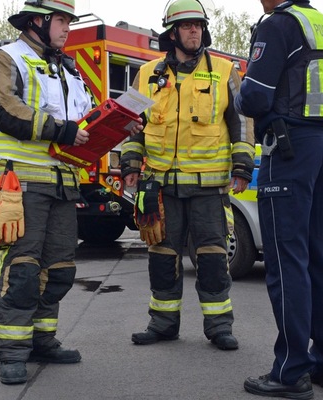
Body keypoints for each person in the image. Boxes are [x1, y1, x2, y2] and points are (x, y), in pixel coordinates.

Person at [0, 0, 140, 385]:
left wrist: (119, 125)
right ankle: (13, 352)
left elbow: (86, 122)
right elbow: (5, 109)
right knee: (22, 269)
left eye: (69, 20)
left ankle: (42, 341)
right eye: (61, 20)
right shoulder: (6, 58)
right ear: (37, 20)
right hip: (20, 181)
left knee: (60, 270)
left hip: (64, 183)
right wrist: (61, 130)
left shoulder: (69, 69)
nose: (67, 28)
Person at [119, 0, 254, 351]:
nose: (194, 30)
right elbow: (131, 125)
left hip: (209, 187)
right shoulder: (147, 74)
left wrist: (242, 165)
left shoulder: (224, 71)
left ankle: (219, 326)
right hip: (161, 186)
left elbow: (241, 123)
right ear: (173, 32)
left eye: (198, 25)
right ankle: (162, 323)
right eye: (187, 25)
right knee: (162, 256)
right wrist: (130, 165)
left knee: (212, 257)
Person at [235, 1, 323, 398]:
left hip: (288, 147)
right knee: (322, 258)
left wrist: (238, 92)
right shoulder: (321, 23)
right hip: (322, 144)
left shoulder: (278, 25)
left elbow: (255, 97)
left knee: (287, 262)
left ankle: (291, 371)